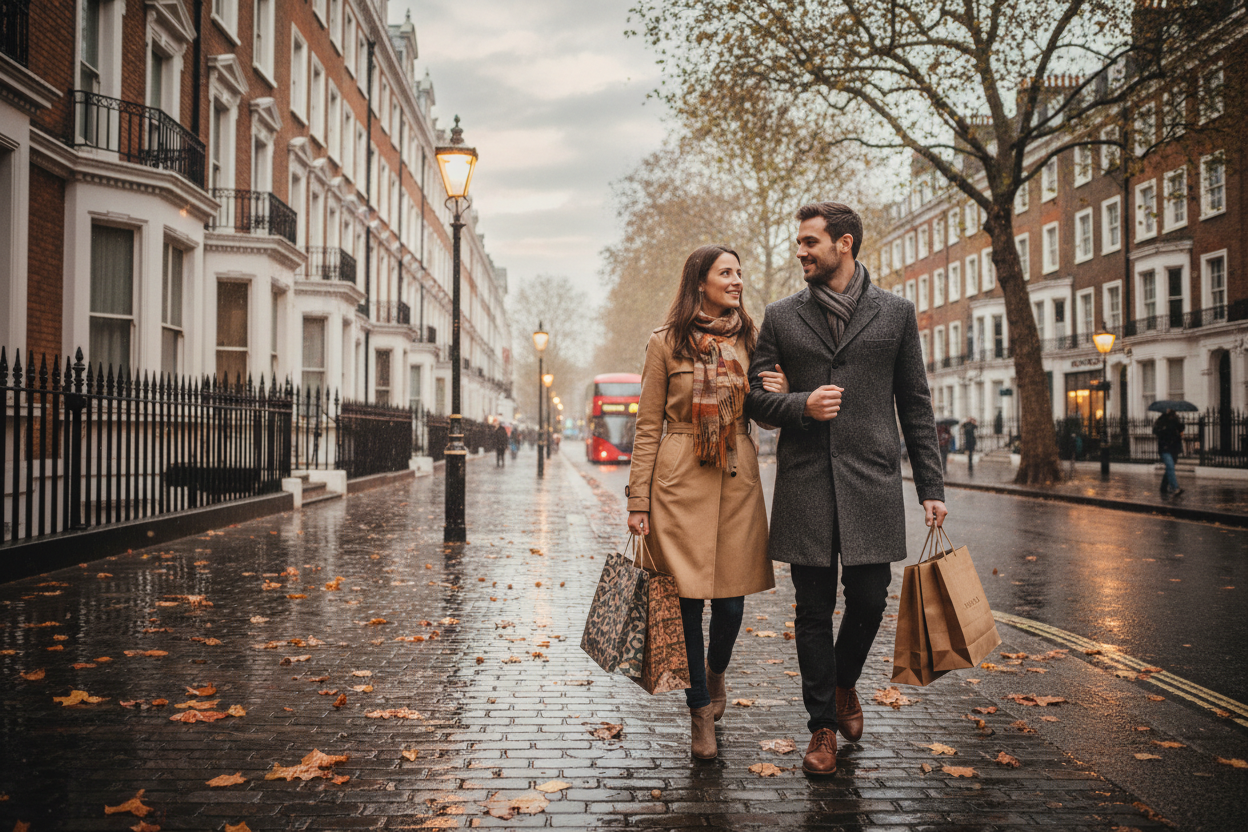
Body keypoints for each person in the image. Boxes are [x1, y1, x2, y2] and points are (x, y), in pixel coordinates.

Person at [746, 202, 947, 777]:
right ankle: (821, 730)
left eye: (811, 242)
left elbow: (915, 402)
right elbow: (756, 400)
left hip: (872, 480)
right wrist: (800, 405)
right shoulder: (782, 317)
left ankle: (843, 685)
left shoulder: (896, 313)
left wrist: (930, 485)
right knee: (811, 610)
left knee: (867, 601)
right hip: (806, 481)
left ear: (845, 244)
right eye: (799, 243)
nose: (801, 252)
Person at [626, 244, 783, 761]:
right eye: (727, 272)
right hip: (678, 480)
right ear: (701, 282)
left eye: (739, 272)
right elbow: (648, 427)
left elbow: (764, 414)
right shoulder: (665, 343)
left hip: (737, 478)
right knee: (687, 603)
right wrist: (638, 501)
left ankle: (716, 672)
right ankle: (699, 715)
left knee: (731, 603)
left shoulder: (750, 337)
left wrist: (782, 389)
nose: (737, 280)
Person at [1153, 408, 1184, 497]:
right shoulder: (1161, 421)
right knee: (1170, 466)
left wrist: (1180, 426)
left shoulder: (1176, 420)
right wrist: (1165, 428)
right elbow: (1155, 431)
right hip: (1165, 448)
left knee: (1169, 468)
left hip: (1174, 448)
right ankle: (1175, 488)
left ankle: (1163, 487)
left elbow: (1180, 431)